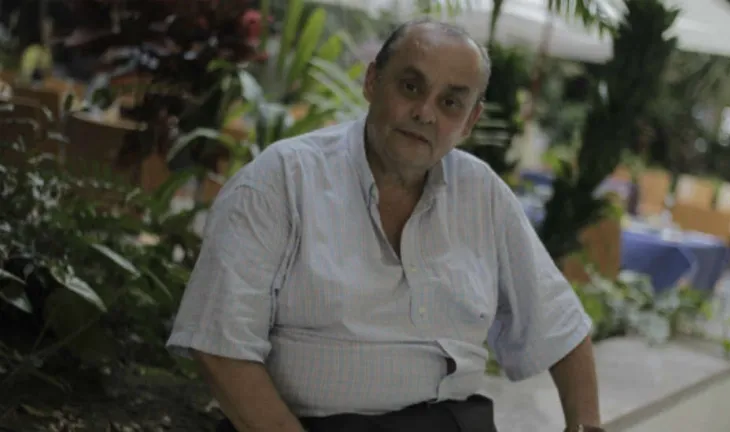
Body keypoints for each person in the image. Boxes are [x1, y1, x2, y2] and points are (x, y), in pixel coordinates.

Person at [167, 18, 603, 432]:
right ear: (372, 81)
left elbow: (561, 327)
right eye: (411, 87)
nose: (425, 113)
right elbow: (220, 348)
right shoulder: (280, 180)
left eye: (450, 103)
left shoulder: (482, 193)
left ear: (470, 121)